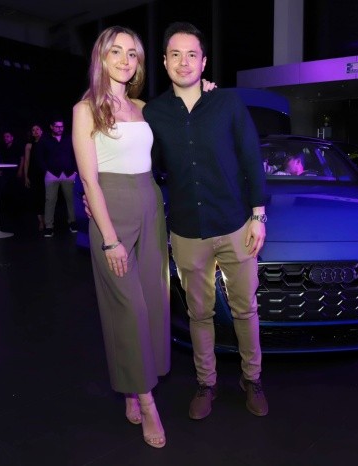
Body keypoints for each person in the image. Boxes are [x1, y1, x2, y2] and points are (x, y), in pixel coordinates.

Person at [142, 21, 269, 420]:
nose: (184, 62)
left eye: (192, 55)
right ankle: (206, 382)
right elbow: (145, 166)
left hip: (235, 225)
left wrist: (258, 215)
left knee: (245, 309)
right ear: (165, 62)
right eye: (175, 55)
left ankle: (252, 379)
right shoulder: (154, 113)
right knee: (199, 314)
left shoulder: (227, 103)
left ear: (204, 62)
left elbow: (251, 158)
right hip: (186, 231)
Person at [72, 26, 169, 449]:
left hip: (151, 203)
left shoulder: (143, 107)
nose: (125, 60)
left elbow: (182, 117)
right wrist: (109, 239)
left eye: (133, 53)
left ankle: (133, 387)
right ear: (102, 57)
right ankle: (147, 402)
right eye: (116, 51)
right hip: (111, 210)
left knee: (153, 302)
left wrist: (205, 90)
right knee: (128, 309)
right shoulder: (85, 109)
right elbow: (88, 180)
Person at [34, 117, 78, 237]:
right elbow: (39, 157)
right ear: (51, 127)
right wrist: (46, 171)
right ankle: (49, 226)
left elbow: (76, 154)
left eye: (61, 126)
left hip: (68, 173)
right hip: (52, 174)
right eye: (57, 126)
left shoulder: (68, 138)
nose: (60, 129)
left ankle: (72, 222)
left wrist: (75, 170)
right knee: (50, 200)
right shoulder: (45, 139)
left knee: (71, 200)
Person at [21, 124, 46, 231]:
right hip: (34, 174)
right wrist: (26, 176)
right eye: (33, 130)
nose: (35, 131)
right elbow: (26, 161)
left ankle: (48, 220)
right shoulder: (29, 145)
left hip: (46, 173)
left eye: (37, 129)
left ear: (41, 131)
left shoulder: (46, 143)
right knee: (37, 198)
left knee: (46, 197)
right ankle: (41, 221)